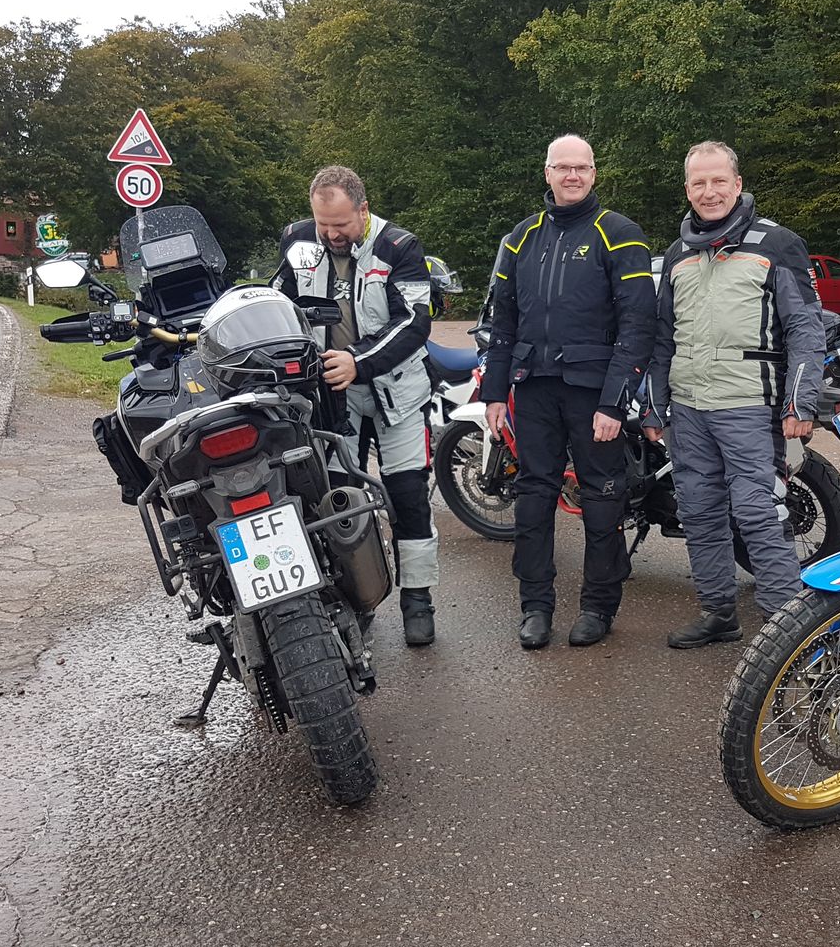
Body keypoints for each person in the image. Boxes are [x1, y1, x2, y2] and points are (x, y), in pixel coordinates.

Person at [643, 140, 826, 648]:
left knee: (757, 513)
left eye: (719, 180)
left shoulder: (778, 244)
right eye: (699, 183)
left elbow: (805, 329)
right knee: (698, 513)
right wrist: (655, 407)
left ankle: (788, 633)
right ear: (687, 190)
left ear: (738, 184)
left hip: (749, 406)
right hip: (687, 409)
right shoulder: (678, 254)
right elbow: (663, 339)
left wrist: (800, 402)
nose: (710, 191)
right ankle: (719, 613)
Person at [481, 135, 656, 650]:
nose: (572, 175)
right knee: (534, 497)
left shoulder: (618, 233)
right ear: (548, 173)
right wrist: (494, 392)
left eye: (581, 167)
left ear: (594, 173)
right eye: (563, 167)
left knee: (602, 498)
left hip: (593, 392)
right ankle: (535, 606)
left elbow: (638, 323)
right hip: (533, 387)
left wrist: (614, 401)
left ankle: (598, 607)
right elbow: (503, 321)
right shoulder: (521, 237)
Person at [273, 165, 440, 647]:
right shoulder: (298, 240)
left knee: (408, 497)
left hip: (397, 393)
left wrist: (357, 362)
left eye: (341, 224)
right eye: (323, 224)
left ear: (363, 211)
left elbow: (414, 322)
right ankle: (355, 601)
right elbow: (277, 302)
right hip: (330, 398)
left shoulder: (400, 247)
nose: (331, 234)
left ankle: (418, 599)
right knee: (339, 502)